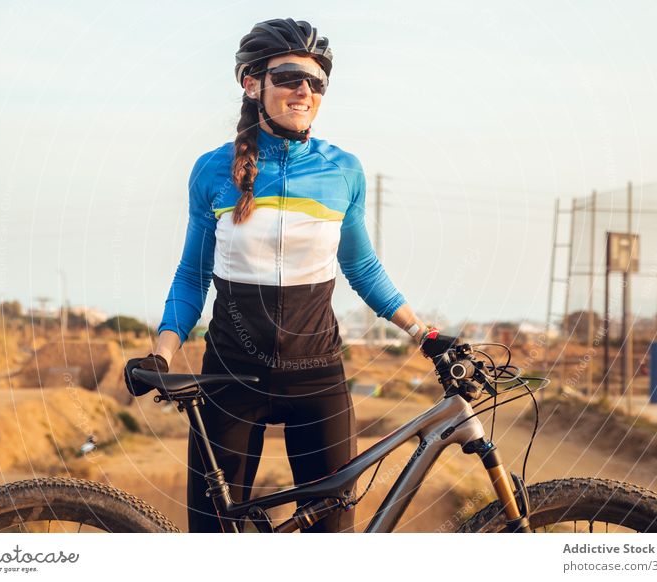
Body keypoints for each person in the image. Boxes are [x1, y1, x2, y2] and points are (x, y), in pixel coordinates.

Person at [125, 18, 455, 532]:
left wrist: (423, 333)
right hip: (230, 374)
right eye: (288, 78)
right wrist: (162, 352)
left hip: (317, 374)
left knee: (331, 539)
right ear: (251, 84)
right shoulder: (213, 171)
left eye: (317, 82)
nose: (305, 90)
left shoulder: (342, 170)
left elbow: (362, 266)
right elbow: (193, 275)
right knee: (213, 537)